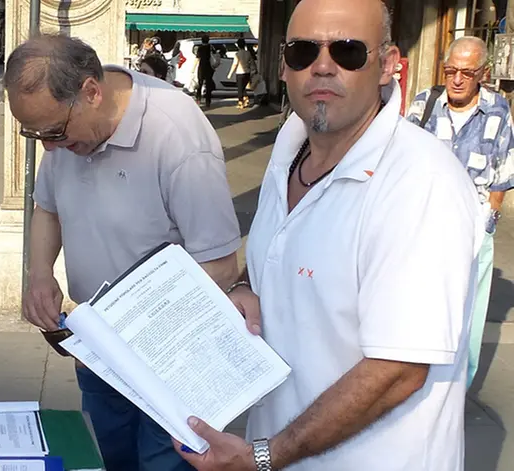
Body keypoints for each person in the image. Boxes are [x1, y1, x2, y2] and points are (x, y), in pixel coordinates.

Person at [173, 1, 480, 470]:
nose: (321, 66)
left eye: (348, 51)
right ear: (283, 66)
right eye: (302, 51)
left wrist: (263, 456)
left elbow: (398, 370)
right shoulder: (290, 146)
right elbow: (275, 261)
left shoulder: (420, 181)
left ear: (388, 65)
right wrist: (244, 288)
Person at [3, 33, 250, 471]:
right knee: (107, 457)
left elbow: (219, 264)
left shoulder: (176, 134)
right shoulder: (64, 131)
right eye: (34, 134)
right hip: (99, 347)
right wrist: (40, 273)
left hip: (171, 357)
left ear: (91, 93)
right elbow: (48, 206)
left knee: (162, 463)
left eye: (55, 132)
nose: (49, 147)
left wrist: (136, 322)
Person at [405, 36, 514, 388]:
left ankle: (456, 392)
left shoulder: (498, 109)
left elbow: (504, 172)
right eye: (451, 70)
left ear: (482, 73)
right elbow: (399, 161)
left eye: (466, 73)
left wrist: (488, 221)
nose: (456, 80)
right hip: (423, 225)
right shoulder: (425, 103)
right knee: (416, 308)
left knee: (467, 317)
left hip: (472, 226)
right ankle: (410, 385)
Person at [229, 38, 254, 109]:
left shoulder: (237, 54)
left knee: (240, 88)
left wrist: (230, 73)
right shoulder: (248, 53)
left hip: (239, 73)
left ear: (238, 46)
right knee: (243, 87)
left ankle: (241, 102)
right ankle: (246, 98)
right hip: (247, 73)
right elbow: (252, 63)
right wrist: (253, 70)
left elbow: (235, 64)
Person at [193, 35, 215, 107]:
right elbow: (214, 56)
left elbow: (197, 59)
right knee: (208, 84)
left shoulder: (200, 48)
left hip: (201, 67)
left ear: (202, 40)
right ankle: (208, 101)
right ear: (208, 40)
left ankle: (198, 99)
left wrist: (193, 68)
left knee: (200, 83)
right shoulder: (210, 47)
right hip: (209, 67)